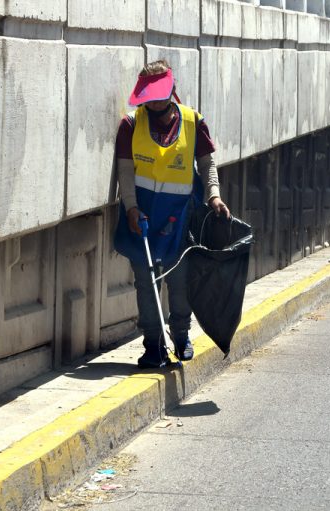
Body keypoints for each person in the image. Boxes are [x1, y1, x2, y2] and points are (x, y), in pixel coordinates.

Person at [114, 60, 230, 368]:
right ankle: (153, 345)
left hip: (181, 219)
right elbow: (125, 172)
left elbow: (207, 165)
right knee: (146, 283)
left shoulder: (193, 122)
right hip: (142, 219)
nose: (154, 102)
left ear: (171, 90)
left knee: (180, 281)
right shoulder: (130, 125)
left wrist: (214, 196)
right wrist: (130, 207)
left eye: (159, 94)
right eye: (148, 96)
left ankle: (181, 336)